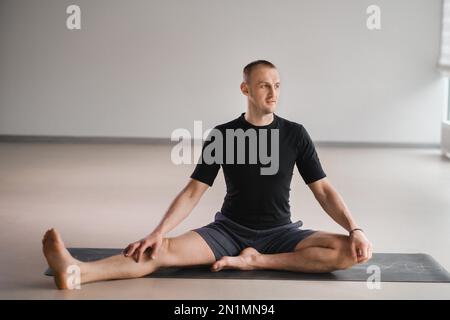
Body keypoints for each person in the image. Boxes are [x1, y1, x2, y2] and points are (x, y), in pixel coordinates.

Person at [42, 60, 372, 289]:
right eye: (263, 86)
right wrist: (157, 232)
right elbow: (193, 191)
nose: (273, 93)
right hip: (228, 232)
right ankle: (78, 272)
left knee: (347, 252)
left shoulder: (295, 134)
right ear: (245, 88)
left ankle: (256, 261)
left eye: (277, 85)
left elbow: (324, 190)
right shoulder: (223, 135)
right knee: (160, 251)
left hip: (280, 233)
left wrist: (354, 229)